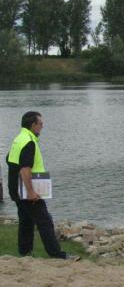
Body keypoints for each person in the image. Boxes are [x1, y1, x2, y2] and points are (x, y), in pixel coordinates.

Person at [5, 111, 74, 259]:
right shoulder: (29, 141)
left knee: (26, 221)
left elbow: (9, 159)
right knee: (45, 220)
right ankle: (57, 255)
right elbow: (25, 169)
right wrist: (30, 192)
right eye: (40, 124)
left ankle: (25, 253)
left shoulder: (19, 138)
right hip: (26, 191)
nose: (42, 126)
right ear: (33, 125)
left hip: (16, 189)